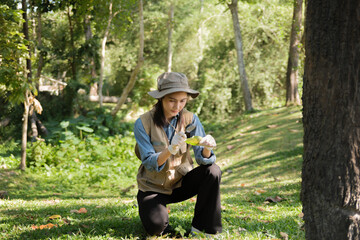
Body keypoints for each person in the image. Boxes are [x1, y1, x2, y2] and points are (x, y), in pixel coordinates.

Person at [133, 72, 222, 237]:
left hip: (181, 183)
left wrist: (207, 147)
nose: (177, 106)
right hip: (153, 187)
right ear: (161, 98)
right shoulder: (143, 123)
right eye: (172, 100)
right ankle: (160, 220)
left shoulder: (190, 119)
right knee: (156, 227)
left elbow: (204, 161)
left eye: (183, 101)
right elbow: (148, 161)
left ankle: (203, 228)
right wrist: (169, 150)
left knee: (213, 170)